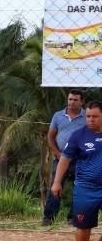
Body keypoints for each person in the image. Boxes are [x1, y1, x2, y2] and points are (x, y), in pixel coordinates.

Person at [52, 101, 102, 241]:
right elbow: (65, 160)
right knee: (83, 225)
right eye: (88, 116)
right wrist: (57, 182)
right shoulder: (78, 135)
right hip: (86, 188)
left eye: (95, 116)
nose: (90, 119)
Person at [43, 90, 85, 225]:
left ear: (81, 102)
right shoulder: (58, 116)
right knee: (55, 186)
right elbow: (50, 136)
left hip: (80, 158)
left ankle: (73, 217)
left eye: (75, 100)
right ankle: (49, 218)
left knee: (79, 188)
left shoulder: (87, 116)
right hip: (61, 158)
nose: (72, 102)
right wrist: (57, 152)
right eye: (70, 99)